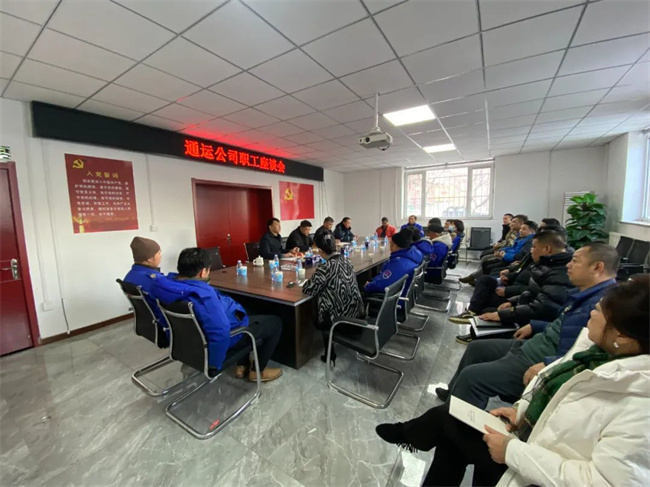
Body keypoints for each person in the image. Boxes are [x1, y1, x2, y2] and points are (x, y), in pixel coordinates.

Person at [375, 275, 649, 487]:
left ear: (622, 335)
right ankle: (413, 435)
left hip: (534, 471)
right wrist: (522, 412)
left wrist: (512, 452)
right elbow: (561, 401)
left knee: (447, 420)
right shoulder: (594, 353)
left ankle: (410, 434)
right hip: (531, 441)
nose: (591, 313)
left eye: (599, 311)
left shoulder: (639, 404)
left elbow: (601, 481)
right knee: (453, 432)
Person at [440, 242, 619, 407]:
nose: (568, 265)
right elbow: (564, 327)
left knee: (472, 378)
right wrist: (535, 325)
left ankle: (453, 421)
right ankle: (452, 398)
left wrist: (549, 365)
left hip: (540, 361)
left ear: (597, 267)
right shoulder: (584, 294)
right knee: (476, 348)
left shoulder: (605, 306)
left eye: (575, 261)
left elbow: (589, 355)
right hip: (534, 344)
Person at [152, 248, 283, 382]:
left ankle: (242, 365)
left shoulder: (164, 285)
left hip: (187, 340)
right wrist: (213, 365)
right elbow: (220, 332)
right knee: (275, 323)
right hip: (223, 338)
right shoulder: (203, 297)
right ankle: (257, 371)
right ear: (203, 272)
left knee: (248, 309)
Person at [479, 228, 574, 328]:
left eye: (534, 247)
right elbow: (531, 292)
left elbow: (542, 308)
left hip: (535, 323)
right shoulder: (544, 264)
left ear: (547, 249)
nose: (531, 250)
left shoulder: (559, 273)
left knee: (487, 312)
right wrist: (512, 302)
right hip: (526, 307)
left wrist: (503, 314)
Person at [302, 232, 365, 366]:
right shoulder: (347, 260)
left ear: (320, 251)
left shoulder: (325, 267)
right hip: (356, 313)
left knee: (319, 304)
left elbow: (308, 289)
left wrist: (308, 281)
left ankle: (329, 352)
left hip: (338, 319)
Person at [461, 214, 528, 285]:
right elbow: (506, 242)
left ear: (521, 223)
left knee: (486, 260)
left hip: (507, 256)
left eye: (513, 221)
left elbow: (512, 248)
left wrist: (502, 252)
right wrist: (500, 248)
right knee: (485, 255)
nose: (511, 223)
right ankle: (478, 278)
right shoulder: (514, 233)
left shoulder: (521, 237)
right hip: (504, 252)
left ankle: (477, 278)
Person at [124, 236, 166, 331]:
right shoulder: (155, 280)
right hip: (163, 323)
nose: (161, 256)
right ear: (149, 258)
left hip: (148, 322)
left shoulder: (129, 276)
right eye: (159, 253)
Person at [364, 230, 422, 296]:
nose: (390, 247)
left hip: (395, 297)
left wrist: (368, 286)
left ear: (396, 246)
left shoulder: (397, 264)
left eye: (391, 244)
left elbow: (384, 284)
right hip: (405, 293)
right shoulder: (413, 255)